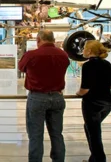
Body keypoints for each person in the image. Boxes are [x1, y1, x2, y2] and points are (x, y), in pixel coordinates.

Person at [18, 29, 71, 162]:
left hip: (37, 98)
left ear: (38, 40)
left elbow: (21, 68)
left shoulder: (31, 55)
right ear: (53, 40)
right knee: (57, 134)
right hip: (58, 98)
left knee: (36, 135)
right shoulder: (63, 55)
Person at [76, 41, 111, 162]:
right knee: (91, 128)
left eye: (84, 48)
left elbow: (85, 88)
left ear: (89, 51)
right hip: (107, 102)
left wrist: (78, 93)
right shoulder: (107, 64)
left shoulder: (88, 66)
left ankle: (99, 159)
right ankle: (94, 158)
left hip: (93, 103)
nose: (82, 50)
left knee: (94, 133)